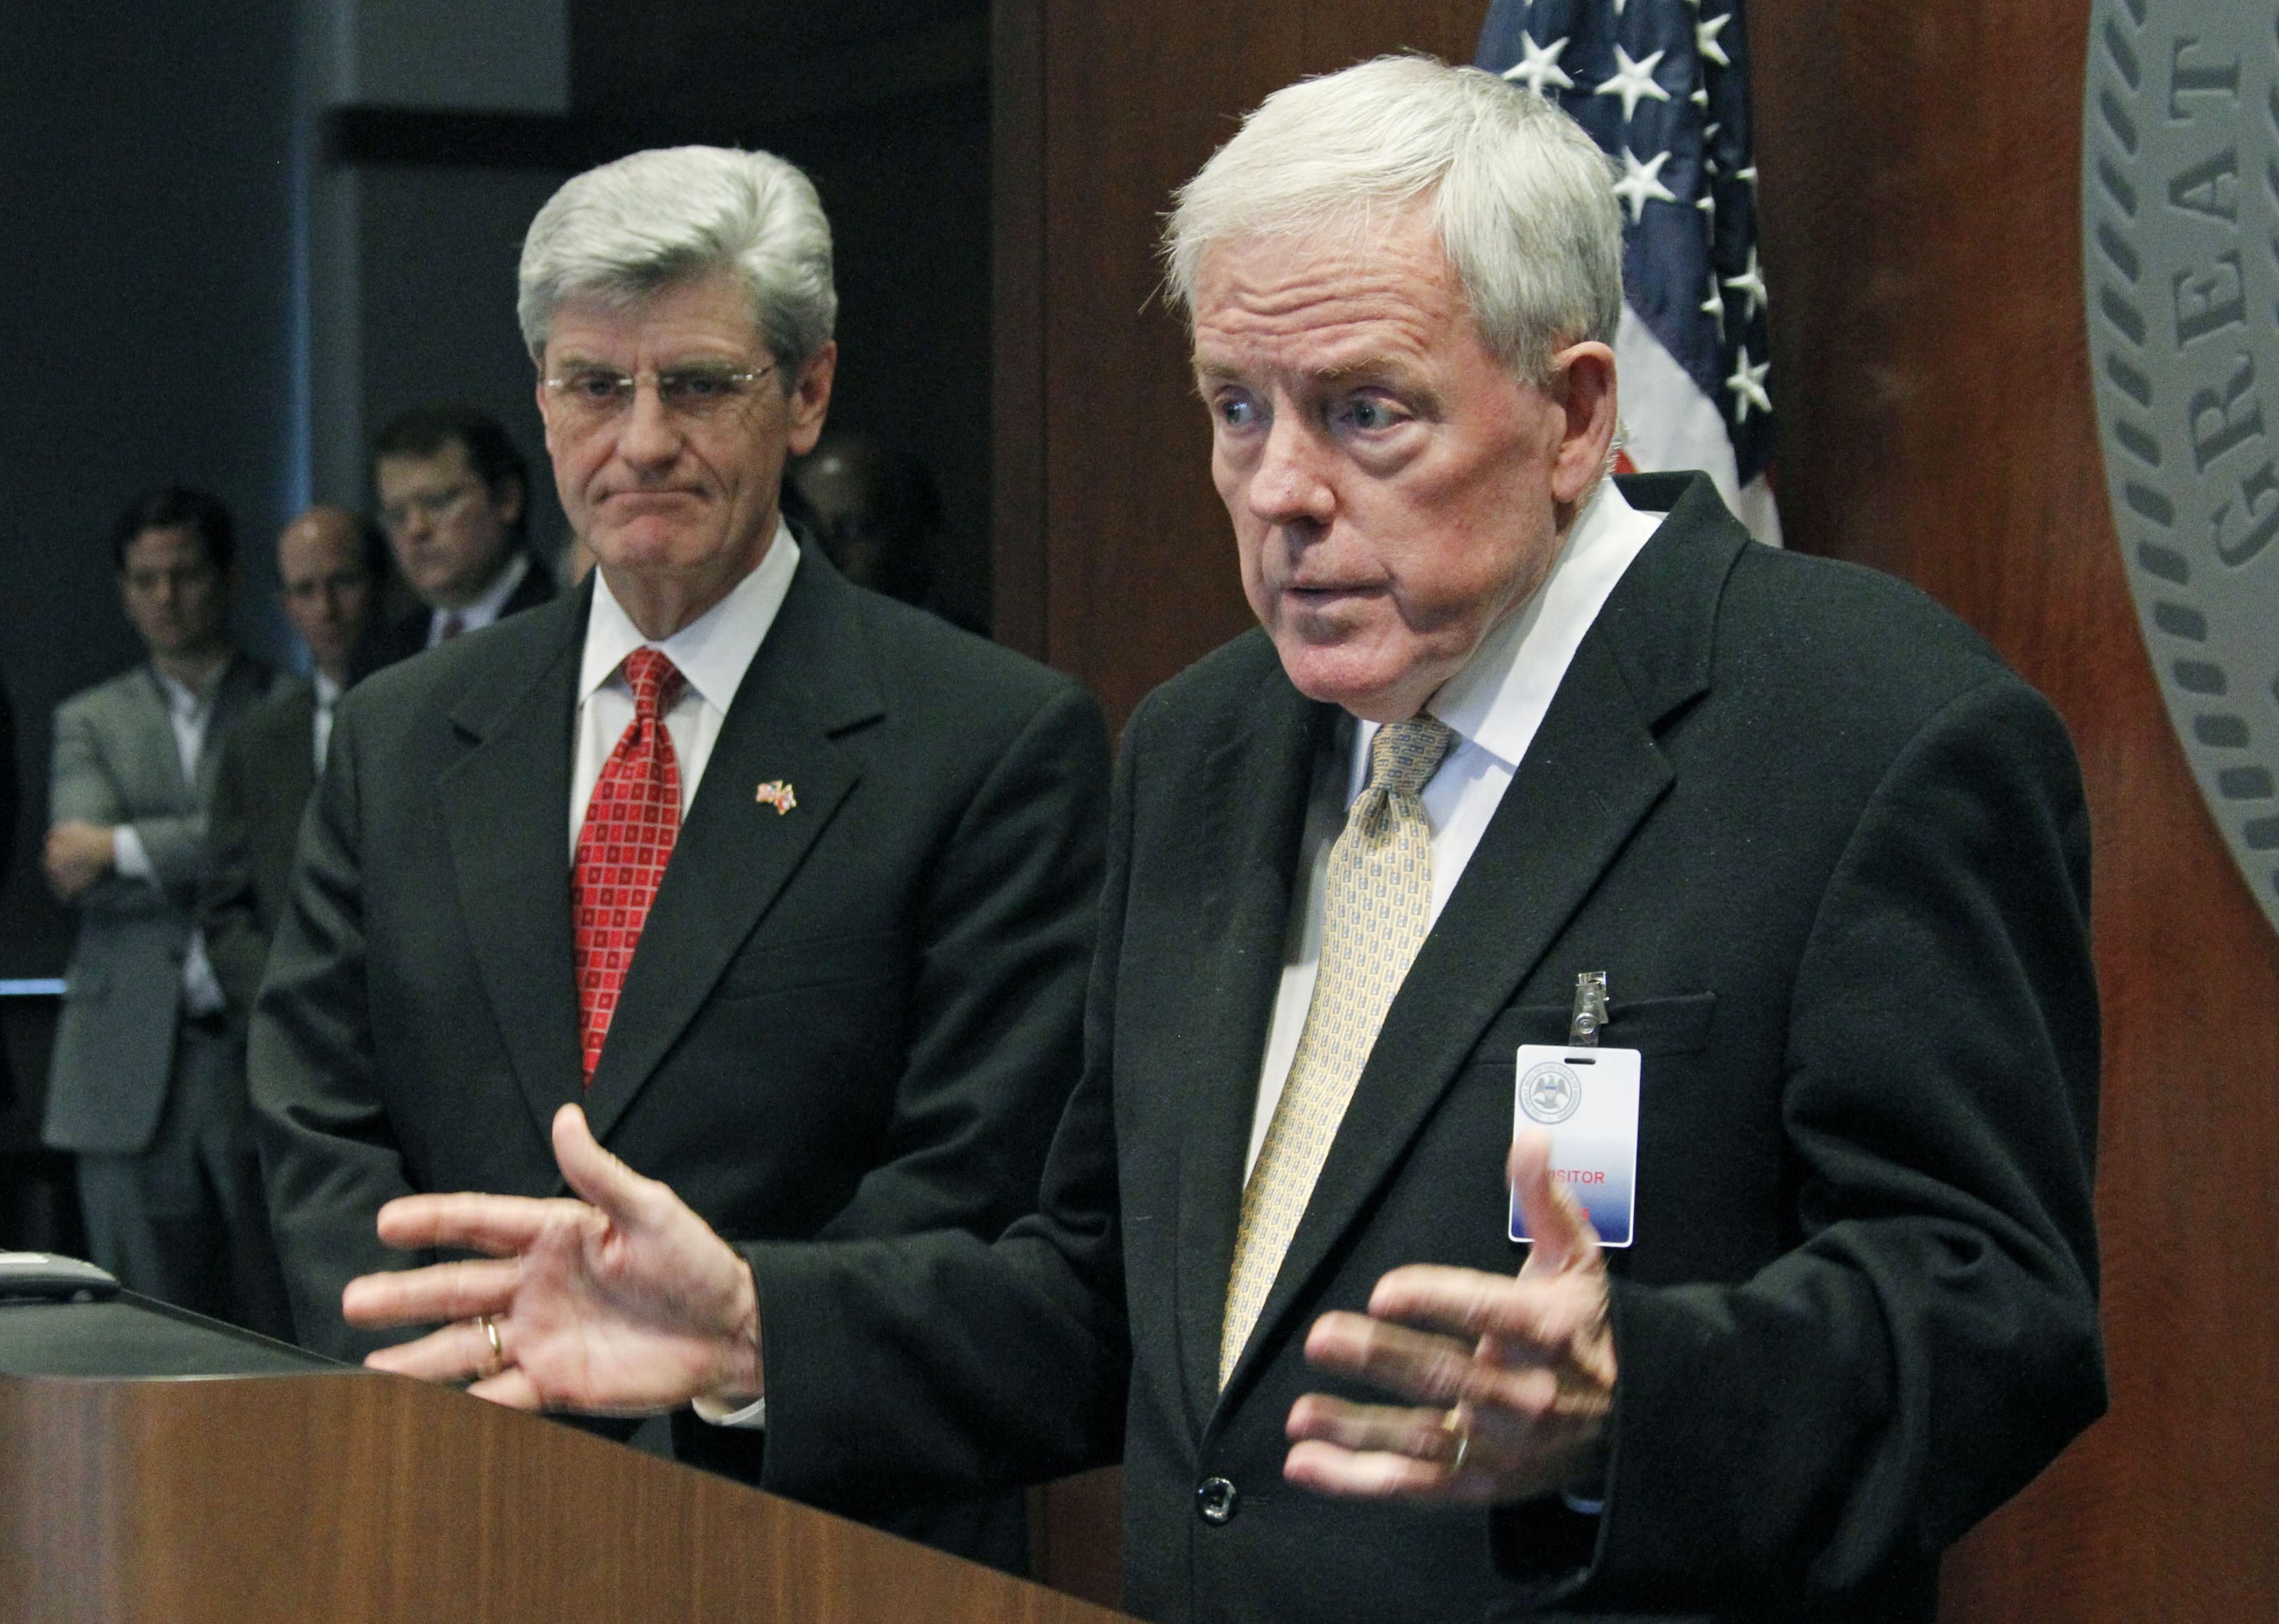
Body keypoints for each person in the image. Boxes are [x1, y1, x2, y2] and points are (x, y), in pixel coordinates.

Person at [341, 60, 2104, 1622]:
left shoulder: (1864, 730)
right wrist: (758, 1329)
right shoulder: (1205, 743)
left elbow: (1994, 1313)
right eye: (1236, 408)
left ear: (1576, 415)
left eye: (1363, 411)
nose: (1276, 491)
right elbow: (1105, 1294)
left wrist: (1641, 1392)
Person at [249, 144, 1110, 1570]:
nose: (640, 439)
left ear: (809, 391)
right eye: (595, 384)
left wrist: (713, 1357)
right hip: (455, 1498)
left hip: (820, 1533)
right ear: (542, 399)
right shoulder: (400, 733)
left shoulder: (993, 742)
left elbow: (977, 1177)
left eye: (698, 385)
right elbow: (314, 1116)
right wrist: (475, 1357)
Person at [42, 486, 292, 1336]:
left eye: (184, 574)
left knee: (271, 1319)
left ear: (225, 578)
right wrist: (225, 842)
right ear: (123, 590)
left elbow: (284, 852)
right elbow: (73, 866)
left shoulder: (287, 708)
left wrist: (122, 845)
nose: (165, 596)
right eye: (145, 579)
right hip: (120, 1060)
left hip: (250, 1047)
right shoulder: (88, 718)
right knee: (133, 1327)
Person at [199, 507, 384, 1025]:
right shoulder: (258, 738)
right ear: (285, 607)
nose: (326, 608)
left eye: (342, 582)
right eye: (305, 591)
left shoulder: (424, 712)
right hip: (288, 1022)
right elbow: (224, 904)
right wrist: (280, 1000)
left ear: (377, 585)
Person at [359, 405, 557, 669]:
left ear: (507, 498)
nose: (416, 529)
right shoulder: (381, 654)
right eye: (397, 515)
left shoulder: (562, 624)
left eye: (438, 503)